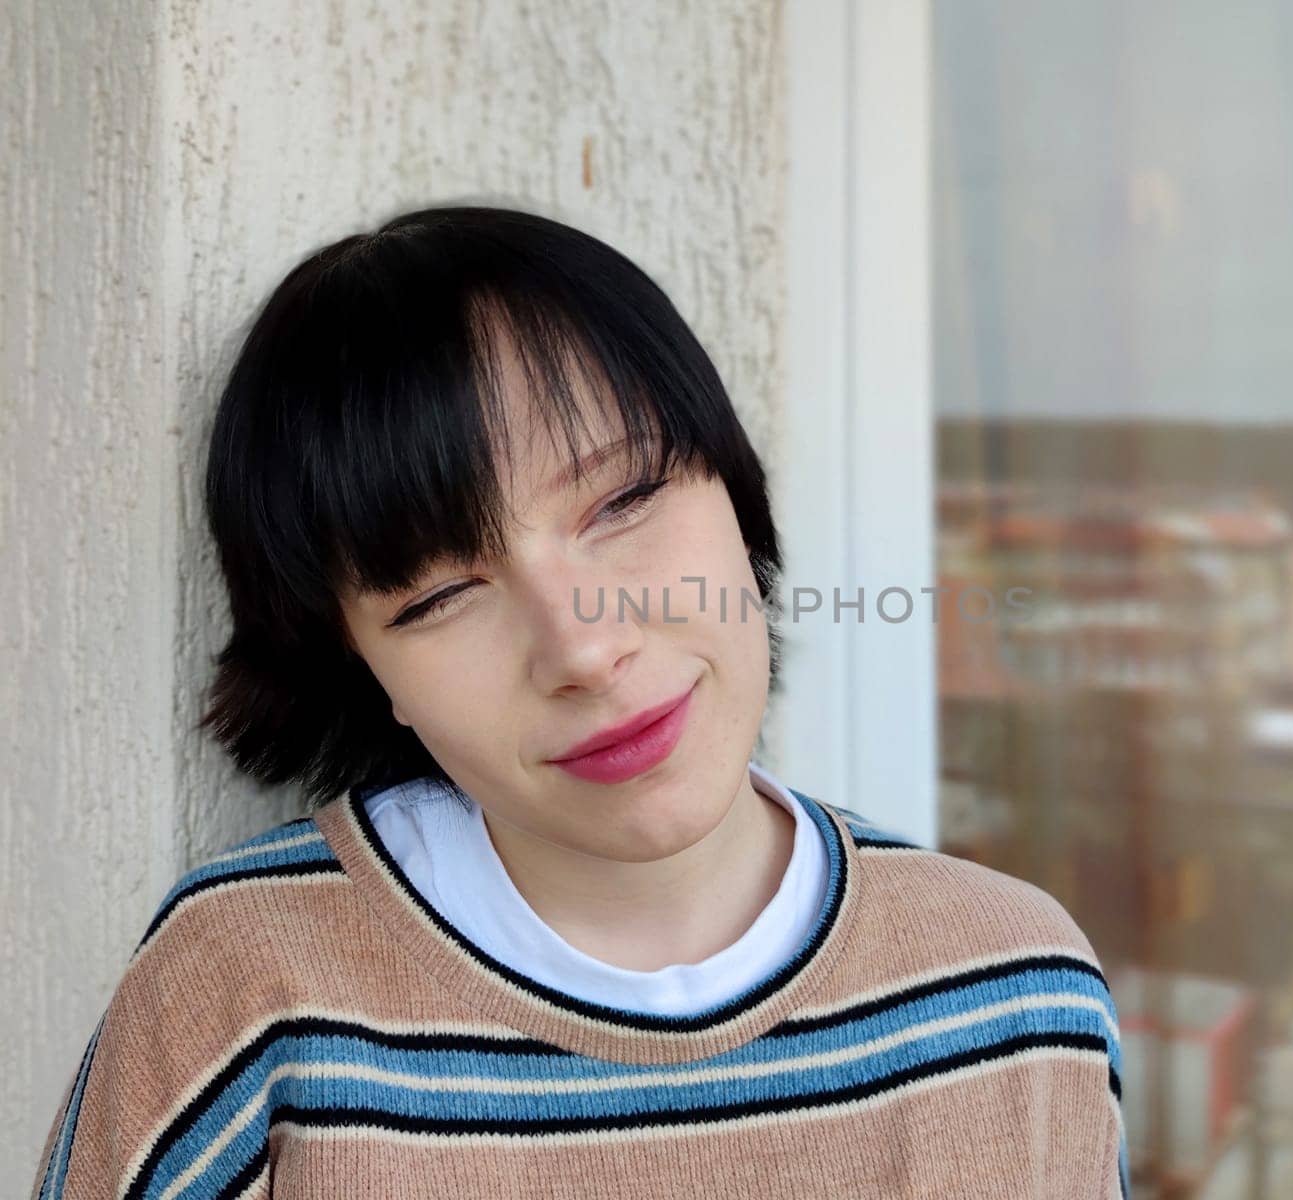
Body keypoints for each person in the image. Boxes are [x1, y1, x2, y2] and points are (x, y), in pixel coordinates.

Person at [31, 205, 1128, 1199]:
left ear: (735, 501)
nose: (584, 648)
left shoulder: (1010, 991)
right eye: (441, 594)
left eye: (625, 498)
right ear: (362, 669)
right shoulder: (248, 990)